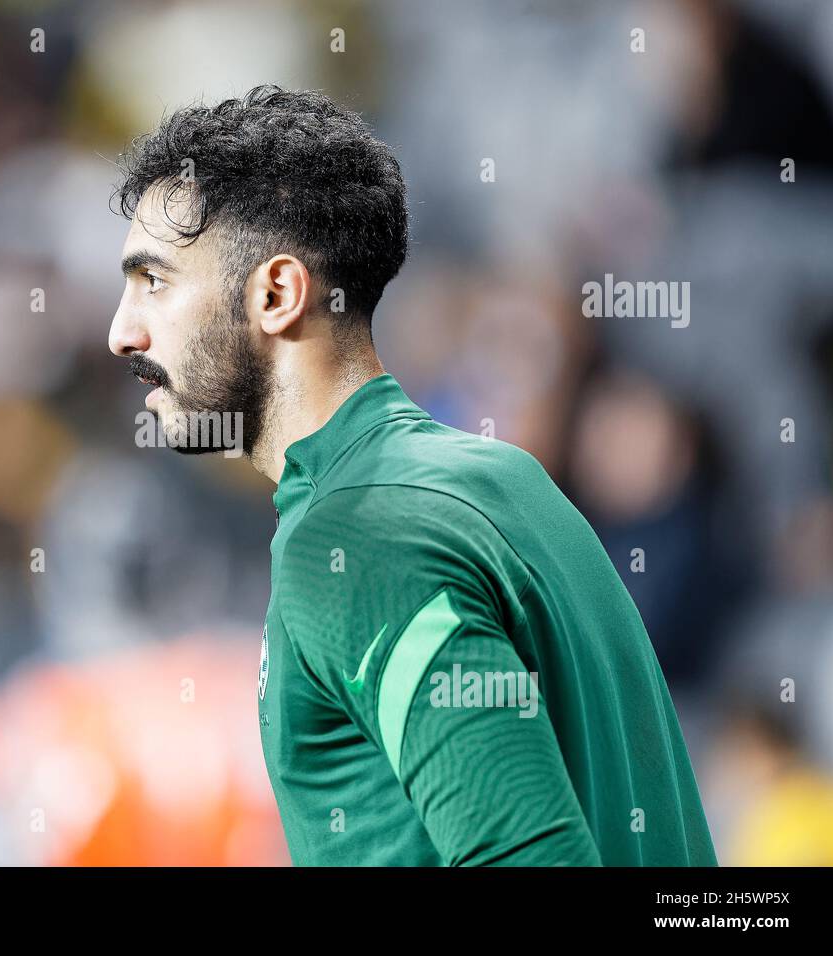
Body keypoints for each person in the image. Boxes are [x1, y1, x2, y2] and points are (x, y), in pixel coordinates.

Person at [107, 85, 716, 866]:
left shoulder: (358, 539)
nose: (122, 332)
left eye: (152, 281)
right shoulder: (502, 477)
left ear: (276, 294)